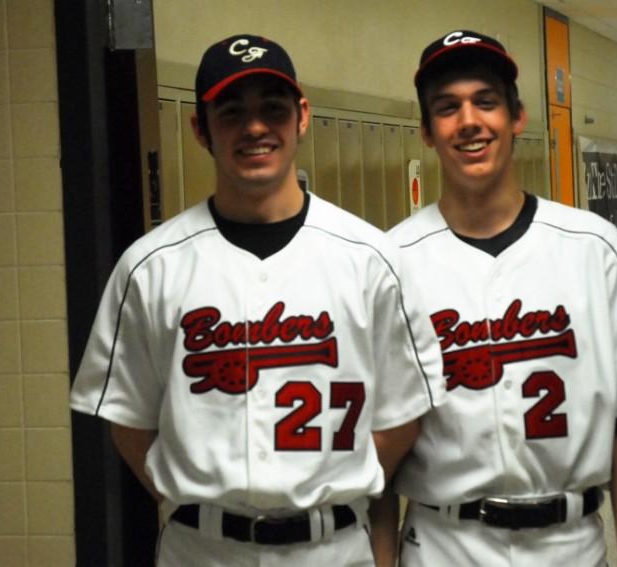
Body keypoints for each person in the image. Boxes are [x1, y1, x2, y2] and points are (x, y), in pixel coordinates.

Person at [70, 33, 444, 567]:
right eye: (231, 112)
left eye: (272, 108)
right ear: (200, 128)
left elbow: (403, 416)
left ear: (302, 116)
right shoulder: (152, 265)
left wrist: (327, 487)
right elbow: (129, 420)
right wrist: (197, 494)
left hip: (331, 548)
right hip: (199, 549)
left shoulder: (369, 257)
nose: (254, 127)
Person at [381, 30, 617, 567]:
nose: (469, 121)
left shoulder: (593, 247)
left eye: (486, 102)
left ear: (516, 116)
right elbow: (378, 450)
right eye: (447, 108)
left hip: (569, 544)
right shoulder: (392, 261)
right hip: (442, 545)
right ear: (426, 131)